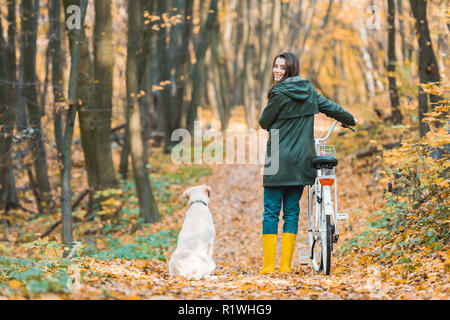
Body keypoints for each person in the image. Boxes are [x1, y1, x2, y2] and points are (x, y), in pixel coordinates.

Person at [258, 51, 357, 274]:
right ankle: (284, 266)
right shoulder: (309, 92)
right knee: (292, 212)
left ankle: (267, 266)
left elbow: (264, 122)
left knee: (271, 212)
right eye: (275, 66)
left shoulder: (278, 93)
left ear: (290, 70)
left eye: (282, 67)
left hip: (278, 159)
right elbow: (330, 107)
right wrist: (350, 119)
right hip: (302, 160)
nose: (277, 70)